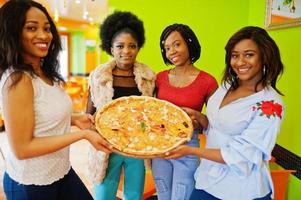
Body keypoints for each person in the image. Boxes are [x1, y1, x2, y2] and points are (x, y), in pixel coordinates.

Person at [0, 1, 111, 199]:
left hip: (60, 171)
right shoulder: (17, 80)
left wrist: (75, 119)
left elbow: (41, 117)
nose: (44, 35)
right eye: (31, 28)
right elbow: (23, 148)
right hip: (31, 183)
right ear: (13, 32)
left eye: (47, 28)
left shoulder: (45, 72)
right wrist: (82, 135)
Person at [164, 26, 285, 200]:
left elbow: (241, 155)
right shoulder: (227, 86)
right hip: (207, 179)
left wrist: (190, 151)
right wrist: (201, 118)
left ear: (265, 57)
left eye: (249, 54)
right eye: (235, 55)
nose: (240, 62)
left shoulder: (270, 104)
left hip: (241, 189)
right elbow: (218, 128)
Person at [86, 11, 156, 200]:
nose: (126, 51)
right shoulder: (98, 77)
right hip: (107, 148)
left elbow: (152, 112)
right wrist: (94, 137)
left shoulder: (148, 78)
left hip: (136, 148)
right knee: (103, 196)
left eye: (132, 46)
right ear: (111, 47)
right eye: (120, 46)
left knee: (133, 196)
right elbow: (88, 115)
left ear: (138, 47)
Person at [151, 23, 218, 200]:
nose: (171, 51)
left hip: (188, 147)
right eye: (166, 48)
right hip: (161, 148)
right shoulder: (159, 78)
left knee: (182, 197)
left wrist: (198, 116)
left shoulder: (208, 81)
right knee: (163, 196)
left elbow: (214, 124)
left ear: (189, 43)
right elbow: (149, 112)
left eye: (176, 44)